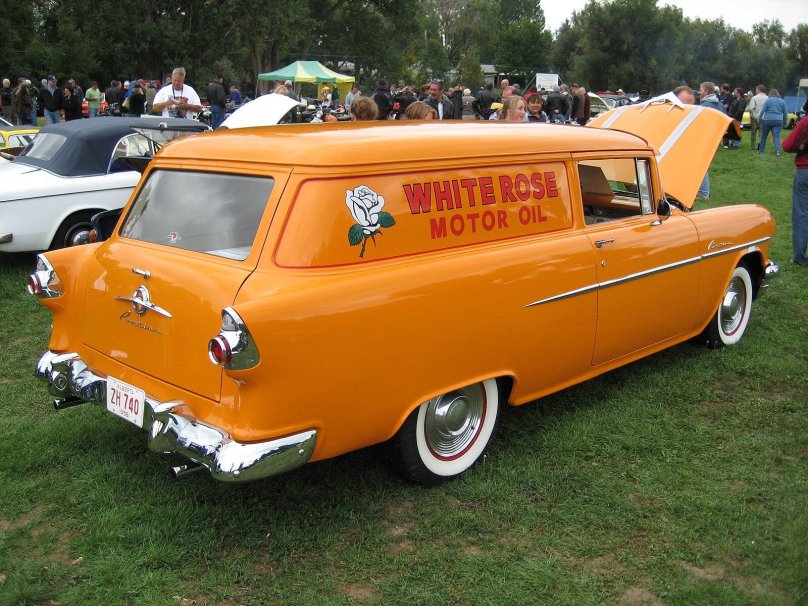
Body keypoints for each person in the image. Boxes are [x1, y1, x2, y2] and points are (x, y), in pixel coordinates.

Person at [783, 113, 808, 267]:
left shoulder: (806, 121)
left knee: (802, 214)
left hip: (806, 170)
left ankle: (799, 256)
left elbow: (787, 145)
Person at [757, 89, 787, 156]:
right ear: (777, 94)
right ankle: (777, 151)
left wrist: (759, 119)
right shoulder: (782, 101)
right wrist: (785, 123)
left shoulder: (767, 100)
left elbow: (762, 111)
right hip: (778, 121)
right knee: (776, 136)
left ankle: (761, 151)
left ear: (770, 94)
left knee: (763, 136)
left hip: (767, 120)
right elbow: (785, 114)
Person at [747, 85, 767, 150]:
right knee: (762, 133)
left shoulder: (754, 98)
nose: (756, 91)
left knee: (753, 132)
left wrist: (751, 115)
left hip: (755, 117)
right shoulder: (768, 98)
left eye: (756, 90)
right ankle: (761, 145)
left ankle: (753, 146)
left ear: (759, 90)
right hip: (764, 117)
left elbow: (751, 108)